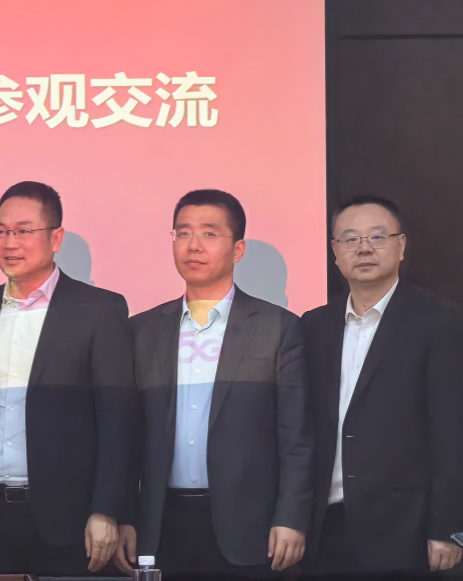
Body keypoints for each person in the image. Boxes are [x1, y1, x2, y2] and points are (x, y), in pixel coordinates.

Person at [0, 181, 137, 576]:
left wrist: (107, 510)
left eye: (23, 231)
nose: (9, 243)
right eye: (1, 231)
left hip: (72, 519)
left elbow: (118, 421)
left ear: (56, 238)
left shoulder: (99, 310)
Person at [124, 189, 312, 578]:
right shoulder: (141, 331)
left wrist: (292, 517)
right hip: (162, 526)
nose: (193, 246)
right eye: (183, 233)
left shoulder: (277, 327)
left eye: (209, 234)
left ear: (238, 249)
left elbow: (297, 437)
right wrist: (124, 514)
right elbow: (124, 436)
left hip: (251, 528)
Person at [302, 196, 463, 576]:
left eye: (377, 237)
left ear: (401, 245)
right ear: (335, 252)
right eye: (350, 239)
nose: (364, 248)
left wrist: (449, 527)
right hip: (324, 527)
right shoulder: (313, 326)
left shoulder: (440, 322)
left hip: (406, 531)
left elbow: (452, 432)